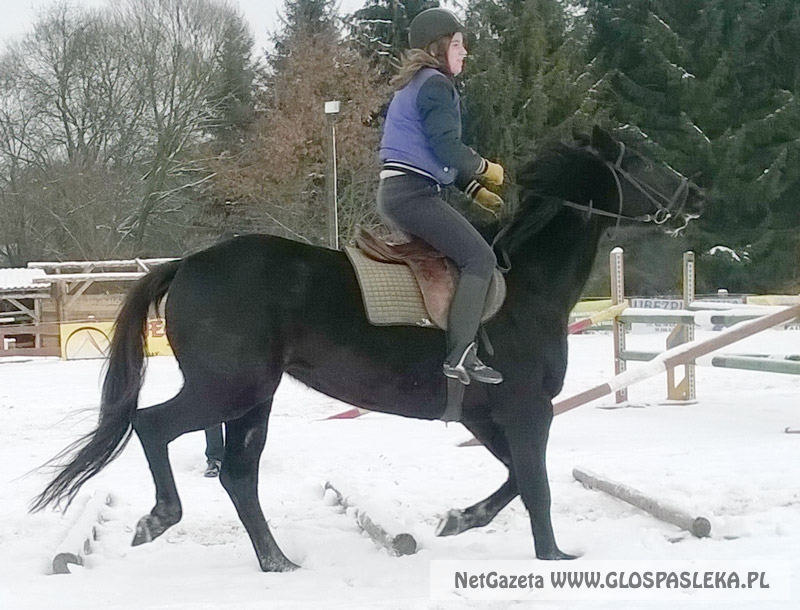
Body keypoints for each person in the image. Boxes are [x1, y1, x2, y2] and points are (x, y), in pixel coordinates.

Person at [377, 8, 504, 386]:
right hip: (411, 194)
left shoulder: (416, 83)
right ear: (439, 46)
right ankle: (462, 353)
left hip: (403, 190)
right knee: (480, 258)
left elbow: (428, 155)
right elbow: (448, 148)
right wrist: (485, 168)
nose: (465, 52)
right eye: (459, 44)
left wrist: (473, 190)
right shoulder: (436, 85)